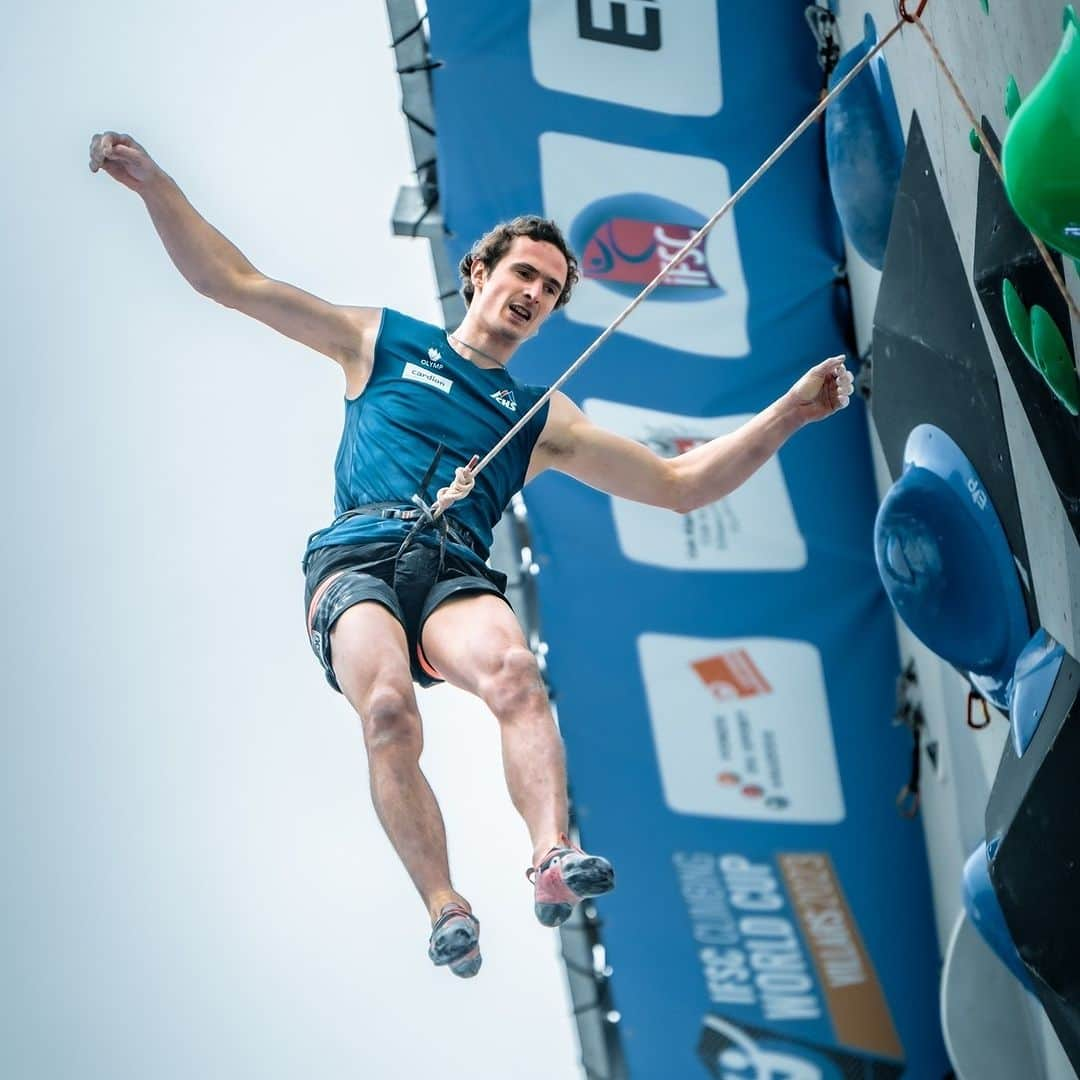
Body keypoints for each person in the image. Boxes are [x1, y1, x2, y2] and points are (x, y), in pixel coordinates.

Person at [90, 130, 855, 979]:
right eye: (524, 273)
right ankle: (444, 905)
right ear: (480, 274)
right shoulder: (380, 341)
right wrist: (155, 183)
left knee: (516, 674)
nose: (534, 292)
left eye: (552, 289)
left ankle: (551, 856)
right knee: (386, 712)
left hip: (453, 566)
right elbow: (228, 282)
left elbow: (680, 487)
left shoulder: (540, 418)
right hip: (358, 558)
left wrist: (789, 412)